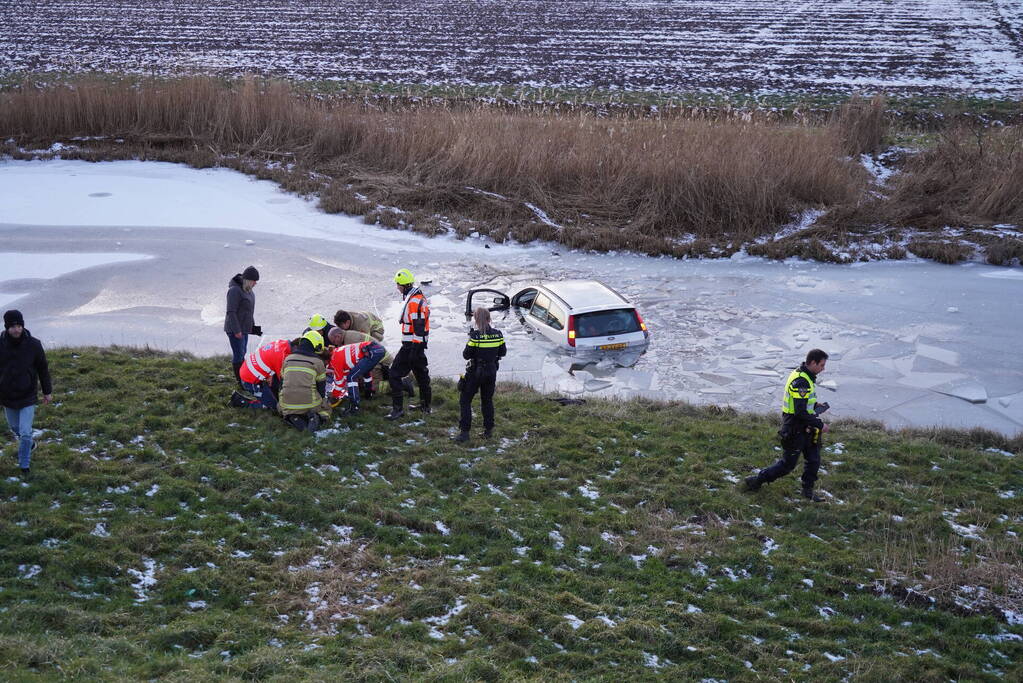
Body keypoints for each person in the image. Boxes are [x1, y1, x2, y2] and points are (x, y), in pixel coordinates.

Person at [744, 349, 831, 502]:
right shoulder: (802, 380)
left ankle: (807, 491)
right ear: (812, 363)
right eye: (822, 365)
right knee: (787, 465)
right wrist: (820, 424)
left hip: (807, 428)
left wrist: (815, 405)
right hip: (795, 428)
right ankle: (757, 480)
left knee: (814, 459)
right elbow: (799, 411)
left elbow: (803, 403)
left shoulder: (805, 376)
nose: (823, 369)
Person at [0, 310, 52, 476]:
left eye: (19, 326)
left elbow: (43, 369)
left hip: (27, 394)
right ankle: (29, 444)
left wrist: (47, 391)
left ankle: (24, 466)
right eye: (13, 326)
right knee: (15, 428)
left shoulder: (34, 345)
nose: (17, 329)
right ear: (6, 327)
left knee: (25, 431)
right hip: (7, 396)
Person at [454, 307, 506, 443]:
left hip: (475, 372)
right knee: (487, 401)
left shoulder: (475, 336)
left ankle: (464, 433)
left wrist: (471, 340)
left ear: (476, 320)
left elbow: (466, 355)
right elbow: (503, 352)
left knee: (465, 400)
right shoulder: (498, 334)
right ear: (489, 319)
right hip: (491, 371)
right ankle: (488, 430)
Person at [386, 269, 431, 420]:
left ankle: (398, 410)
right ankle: (425, 406)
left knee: (394, 374)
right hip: (416, 344)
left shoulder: (413, 301)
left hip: (411, 345)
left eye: (398, 285)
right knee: (421, 375)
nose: (397, 287)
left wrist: (414, 350)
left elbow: (418, 326)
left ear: (404, 285)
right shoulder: (416, 298)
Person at [278, 330, 330, 432]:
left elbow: (281, 384)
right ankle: (319, 418)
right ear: (317, 346)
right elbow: (321, 389)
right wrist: (322, 401)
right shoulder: (318, 362)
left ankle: (292, 417)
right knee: (327, 406)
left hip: (287, 404)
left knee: (280, 406)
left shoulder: (287, 359)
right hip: (310, 405)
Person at [327, 340, 386, 415]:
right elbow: (346, 371)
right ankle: (369, 394)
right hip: (376, 347)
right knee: (365, 372)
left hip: (371, 351)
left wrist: (334, 395)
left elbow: (339, 382)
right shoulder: (337, 350)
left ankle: (354, 407)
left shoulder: (334, 360)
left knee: (351, 377)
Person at [224, 266, 262, 385]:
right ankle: (240, 381)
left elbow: (248, 311)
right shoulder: (234, 290)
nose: (256, 283)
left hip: (244, 329)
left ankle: (243, 377)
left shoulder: (249, 291)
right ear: (248, 280)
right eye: (254, 281)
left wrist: (253, 327)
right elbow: (231, 311)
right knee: (239, 354)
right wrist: (237, 330)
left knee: (243, 352)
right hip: (234, 329)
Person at [234, 337, 293, 410]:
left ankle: (267, 392)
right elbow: (283, 384)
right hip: (250, 381)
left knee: (275, 390)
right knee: (274, 407)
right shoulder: (282, 357)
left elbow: (269, 359)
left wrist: (270, 374)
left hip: (248, 370)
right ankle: (239, 401)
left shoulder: (283, 343)